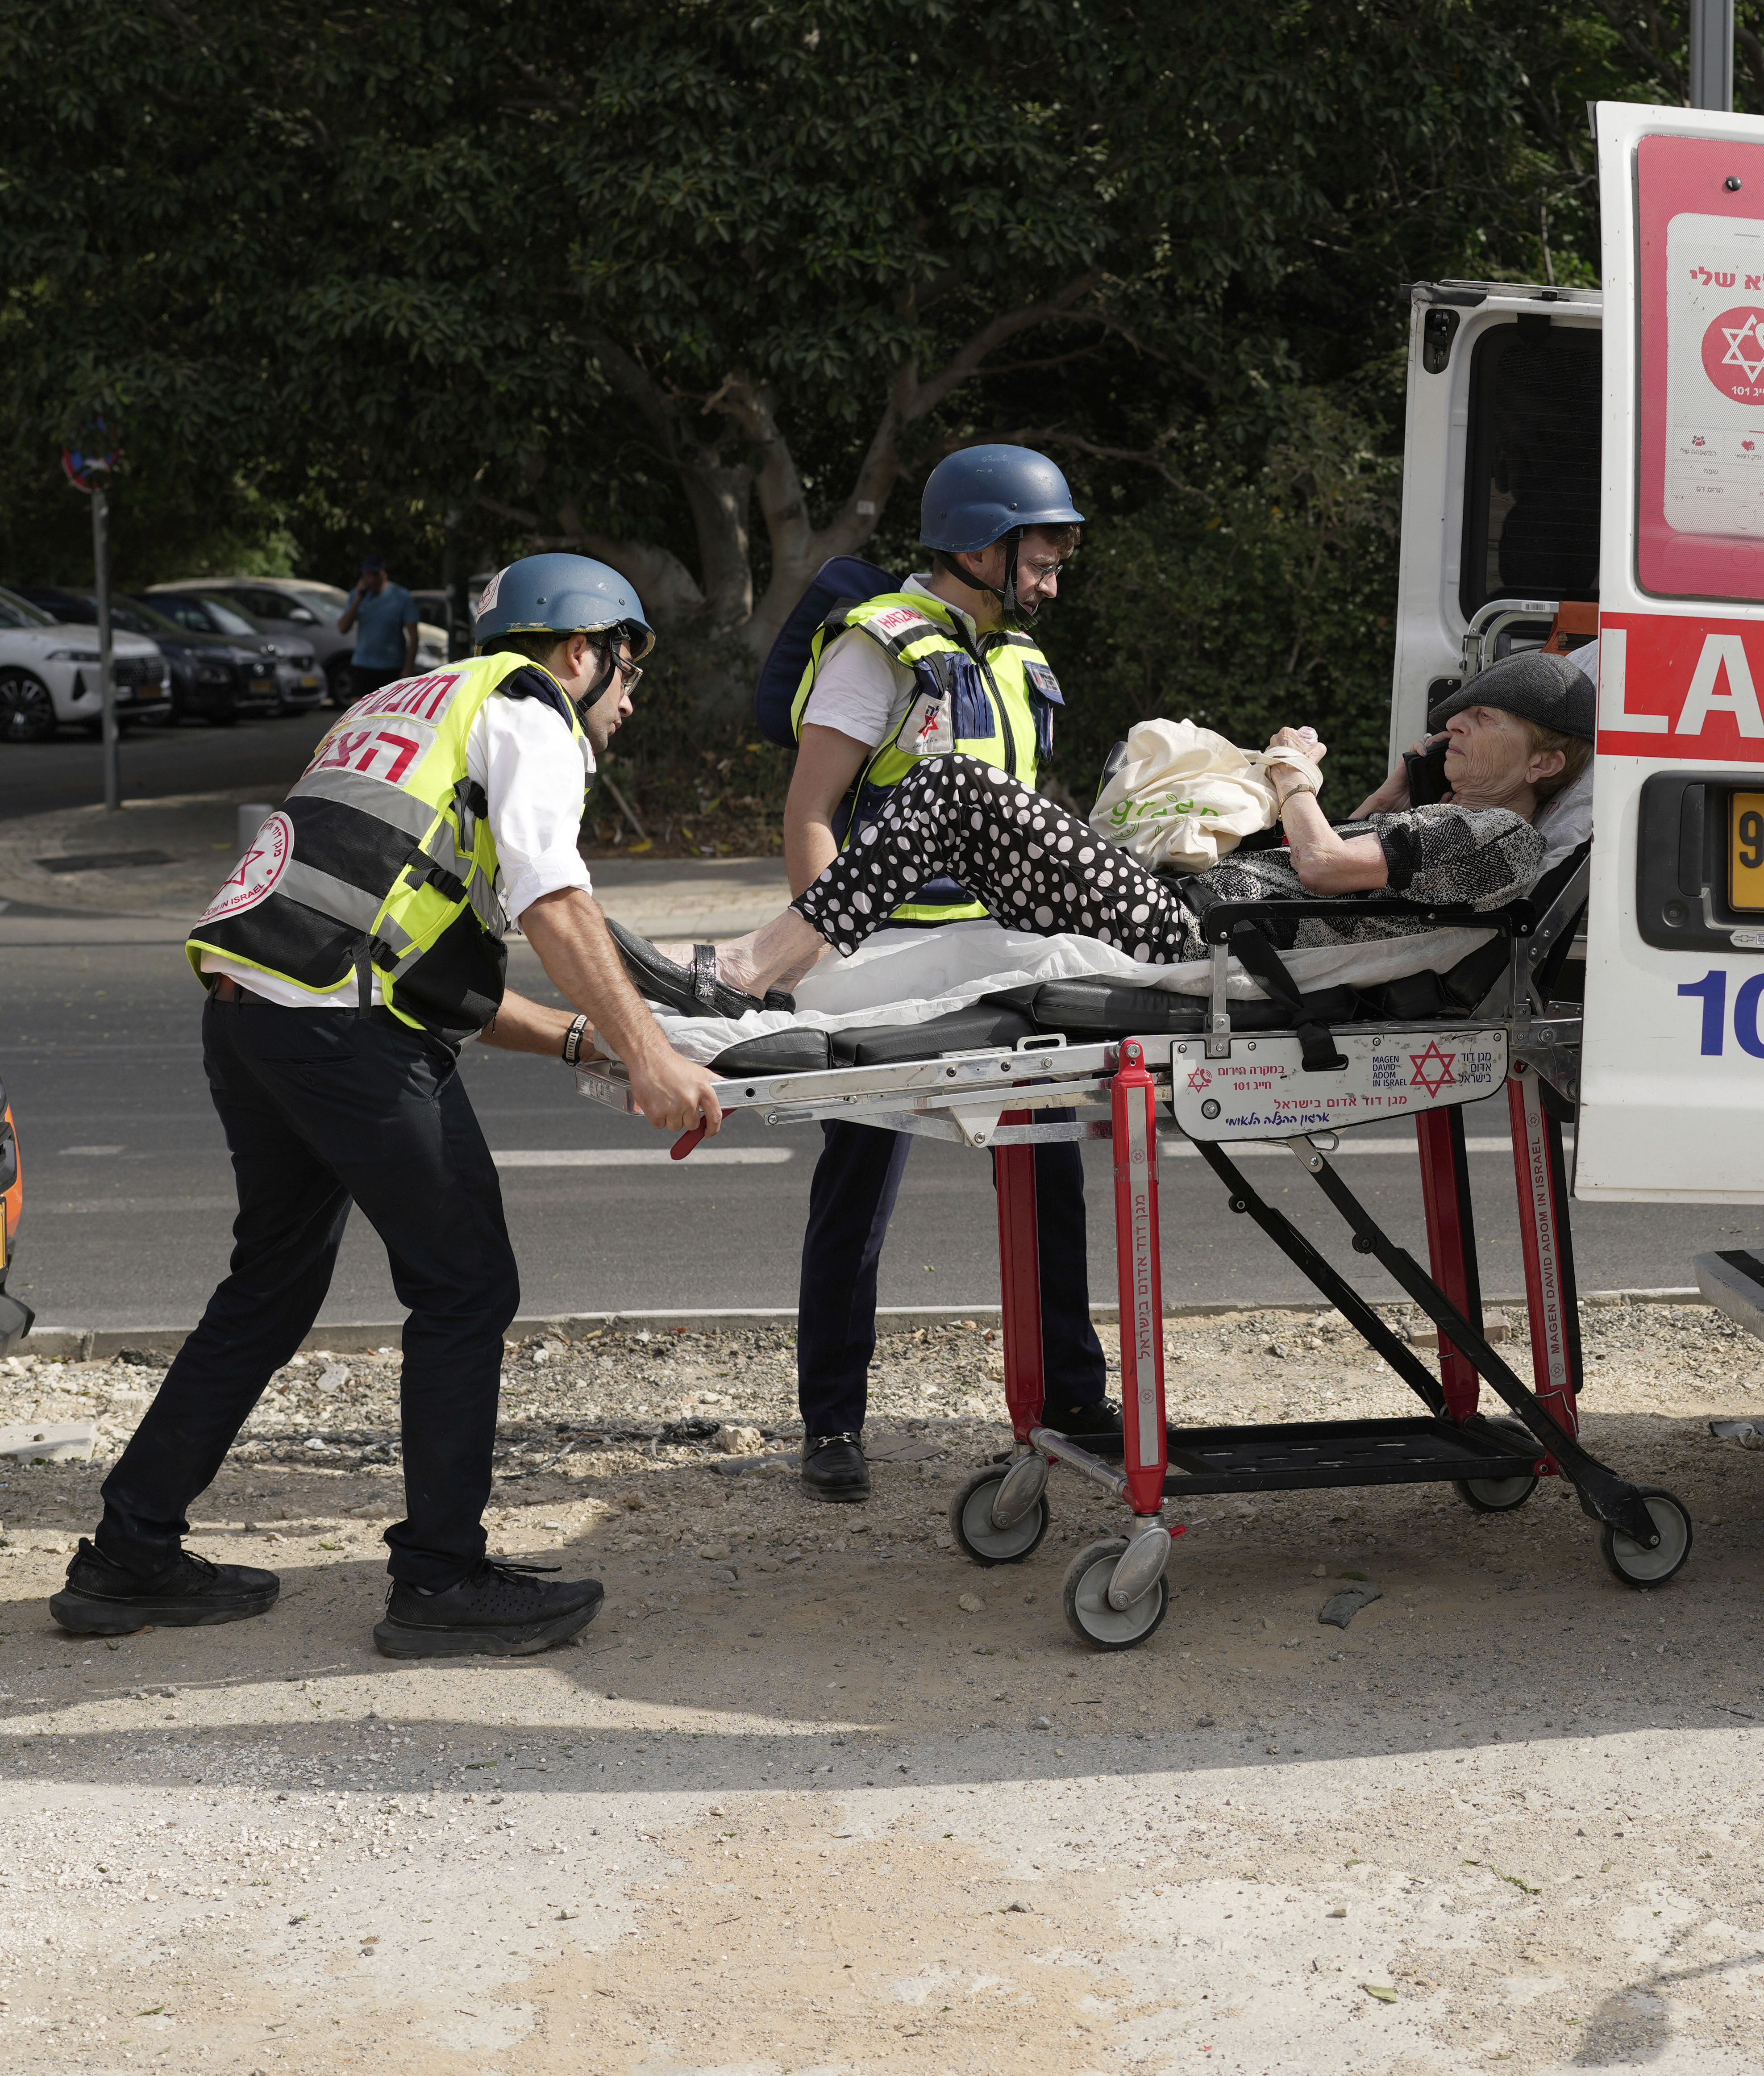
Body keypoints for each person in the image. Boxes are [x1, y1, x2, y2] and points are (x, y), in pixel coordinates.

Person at [52, 554, 727, 1659]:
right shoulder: (529, 711)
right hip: (340, 1029)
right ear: (577, 651)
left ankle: (126, 1559)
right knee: (466, 1284)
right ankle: (440, 1584)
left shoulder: (405, 704)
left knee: (270, 1289)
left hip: (258, 1012)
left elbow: (409, 951)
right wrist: (650, 1055)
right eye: (628, 667)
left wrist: (579, 1040)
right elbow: (553, 898)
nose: (631, 698)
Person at [757, 444, 1107, 1504]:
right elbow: (811, 813)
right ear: (977, 545)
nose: (1052, 581)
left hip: (1000, 961)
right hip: (890, 959)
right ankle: (831, 1424)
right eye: (1039, 559)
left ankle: (1070, 1398)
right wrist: (836, 962)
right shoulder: (878, 651)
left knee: (1051, 1170)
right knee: (858, 1188)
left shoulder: (1018, 662)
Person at [680, 648, 1596, 992]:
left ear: (1547, 762)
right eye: (1457, 716)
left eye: (1484, 720)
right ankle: (770, 966)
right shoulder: (1452, 823)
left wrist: (1292, 776)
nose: (1456, 727)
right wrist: (1400, 784)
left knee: (956, 787)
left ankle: (753, 967)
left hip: (1198, 933)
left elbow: (1319, 868)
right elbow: (1351, 860)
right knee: (946, 804)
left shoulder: (1501, 841)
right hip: (1190, 914)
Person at [335, 555, 420, 698]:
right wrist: (358, 600)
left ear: (384, 574)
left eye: (376, 575)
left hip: (392, 667)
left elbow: (414, 634)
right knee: (359, 713)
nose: (372, 580)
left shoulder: (401, 596)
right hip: (363, 666)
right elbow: (342, 628)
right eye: (368, 575)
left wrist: (409, 667)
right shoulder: (357, 596)